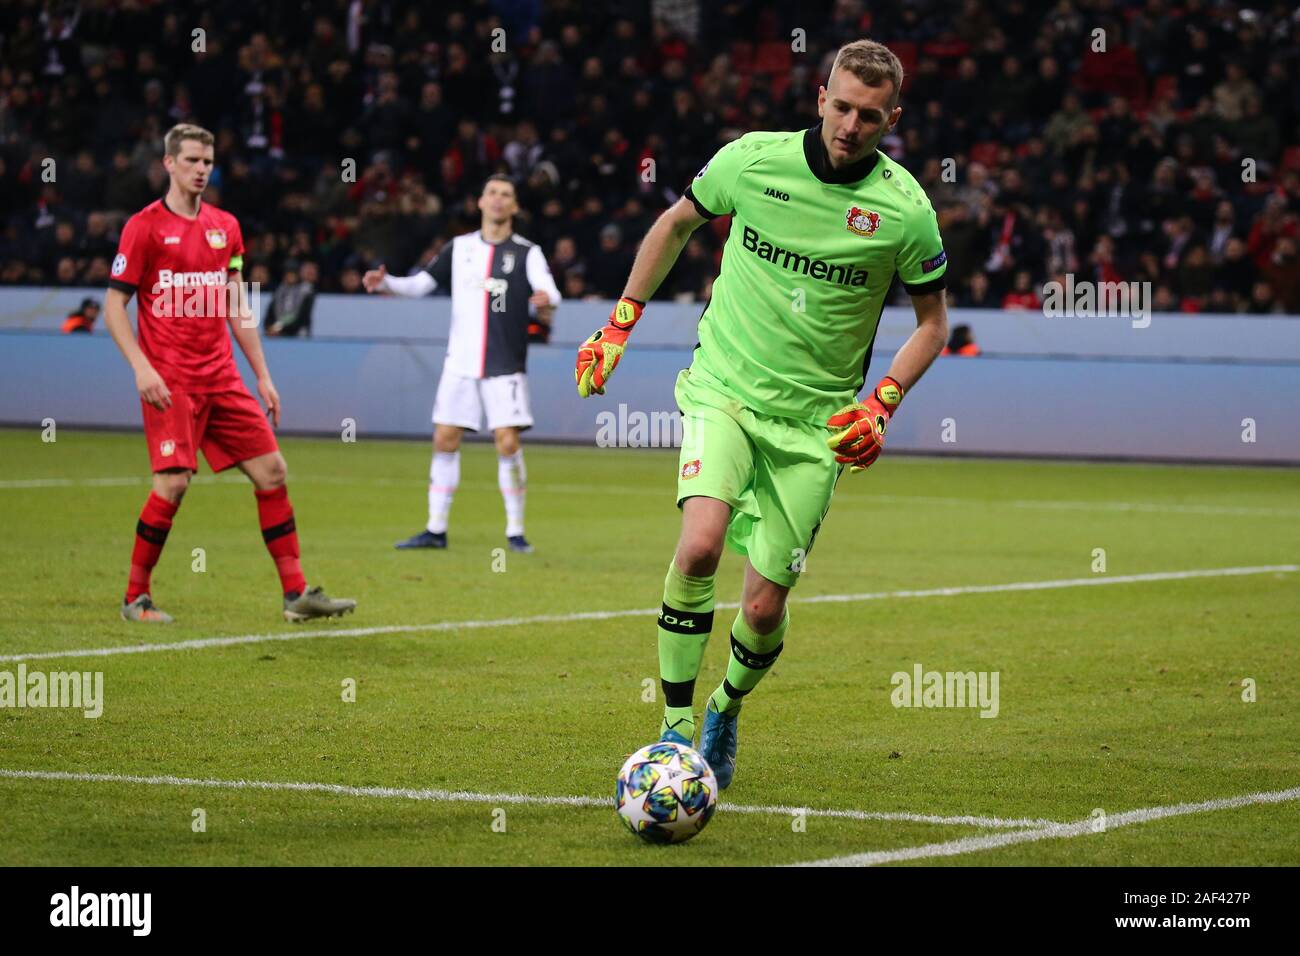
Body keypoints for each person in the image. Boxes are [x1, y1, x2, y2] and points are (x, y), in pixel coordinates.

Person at [574, 40, 949, 789]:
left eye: (869, 116)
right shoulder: (750, 161)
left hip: (816, 428)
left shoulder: (905, 211)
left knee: (766, 601)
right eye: (841, 106)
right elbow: (677, 222)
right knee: (701, 545)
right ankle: (675, 729)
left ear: (891, 119)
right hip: (727, 392)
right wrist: (620, 322)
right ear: (820, 97)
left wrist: (882, 404)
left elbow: (933, 324)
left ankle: (725, 705)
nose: (850, 125)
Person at [103, 123, 356, 624]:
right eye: (192, 160)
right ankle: (136, 598)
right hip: (170, 381)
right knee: (172, 484)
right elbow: (114, 306)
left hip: (222, 378)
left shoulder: (226, 227)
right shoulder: (144, 227)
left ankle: (296, 595)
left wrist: (262, 374)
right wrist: (140, 368)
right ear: (169, 164)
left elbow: (236, 303)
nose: (201, 170)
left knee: (273, 471)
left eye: (207, 162)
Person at [363, 174, 561, 553]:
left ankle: (515, 532)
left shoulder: (526, 252)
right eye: (492, 193)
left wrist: (545, 298)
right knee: (445, 438)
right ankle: (435, 530)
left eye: (506, 194)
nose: (499, 200)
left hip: (505, 363)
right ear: (481, 202)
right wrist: (387, 283)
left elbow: (551, 290)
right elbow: (421, 284)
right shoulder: (460, 248)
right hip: (460, 364)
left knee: (506, 443)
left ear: (515, 207)